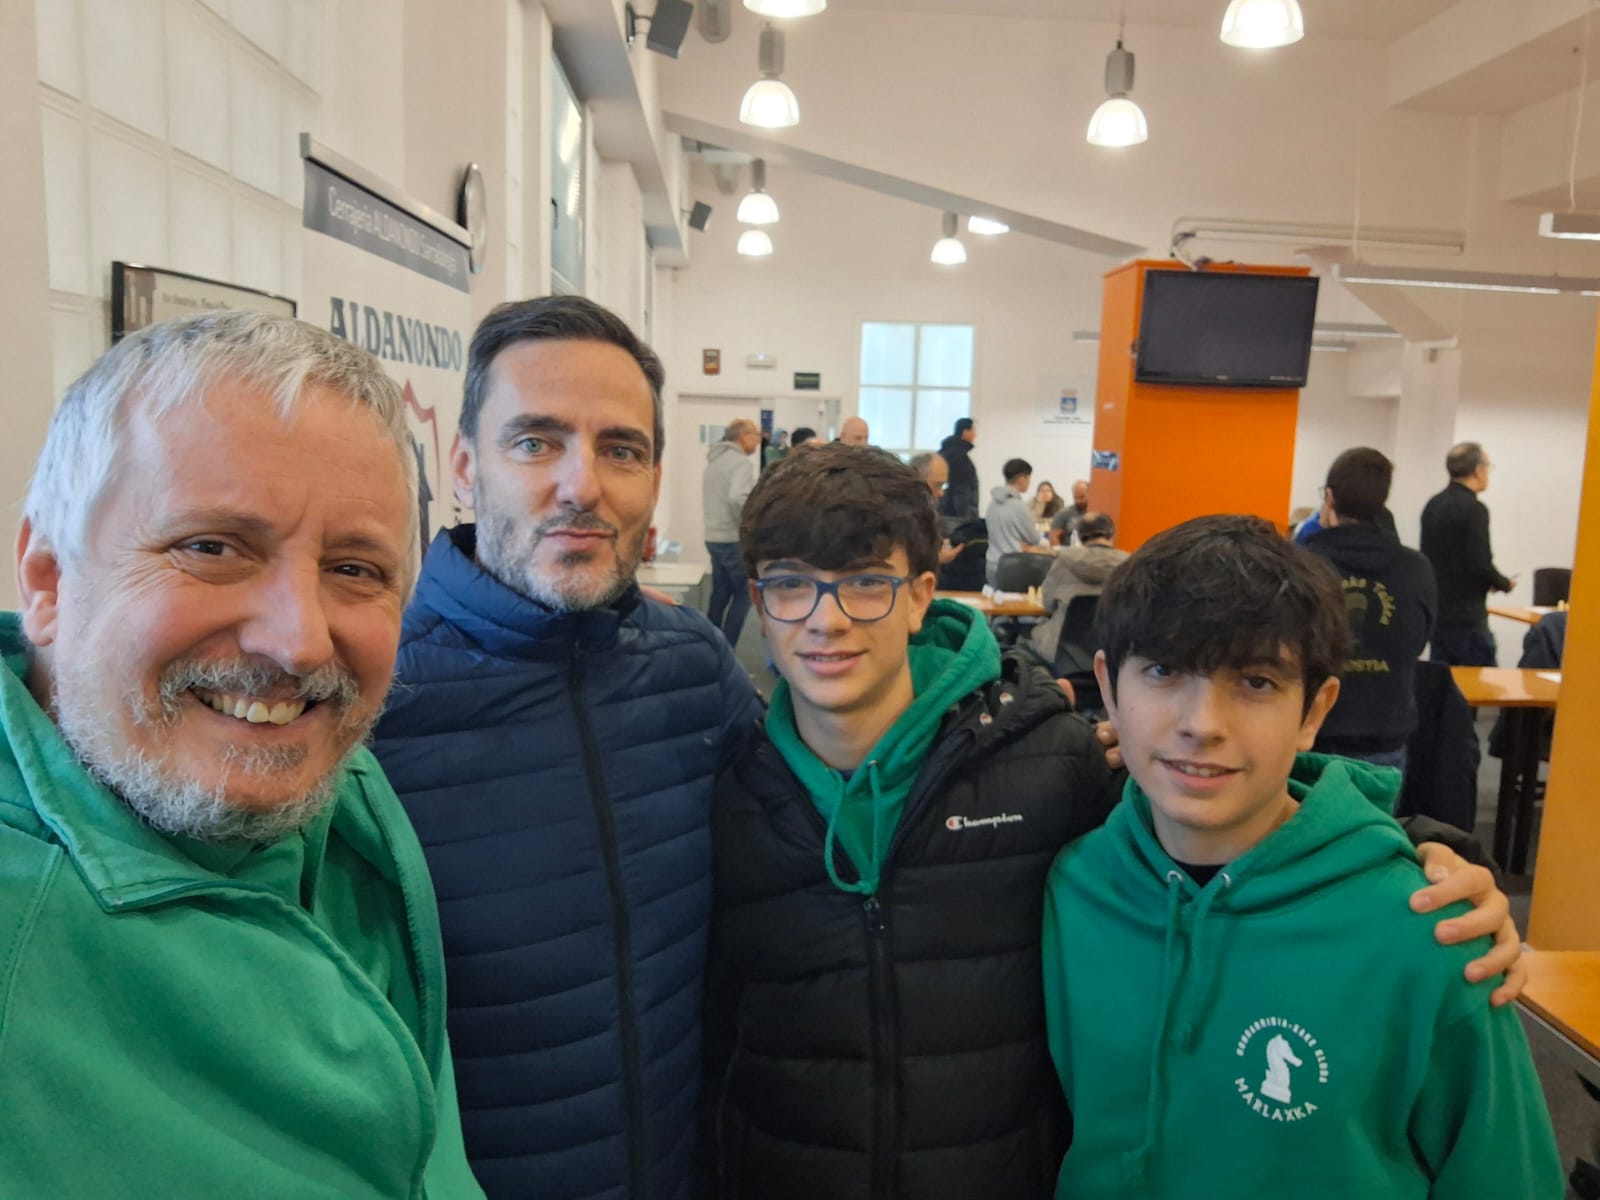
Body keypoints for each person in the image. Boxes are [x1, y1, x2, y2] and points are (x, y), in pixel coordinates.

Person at [704, 450, 1525, 1200]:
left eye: (864, 583)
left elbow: (1255, 822)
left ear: (920, 595)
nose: (827, 618)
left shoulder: (1044, 764)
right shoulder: (723, 790)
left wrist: (1431, 848)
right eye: (790, 585)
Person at [3, 312, 484, 1199]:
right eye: (211, 548)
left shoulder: (325, 783)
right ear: (48, 578)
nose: (299, 643)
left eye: (355, 569)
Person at [370, 296, 763, 1200]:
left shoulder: (695, 669)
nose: (582, 485)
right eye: (535, 442)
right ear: (464, 465)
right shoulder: (372, 704)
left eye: (620, 450)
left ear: (653, 477)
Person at [1043, 515, 1560, 1200]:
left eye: (1256, 682)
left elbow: (1506, 1178)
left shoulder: (1433, 933)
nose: (1203, 724)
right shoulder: (1072, 888)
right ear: (1109, 689)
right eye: (1163, 671)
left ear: (1314, 711)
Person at [1303, 448, 1436, 769]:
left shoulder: (1301, 564)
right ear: (1382, 502)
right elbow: (1419, 641)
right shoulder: (1416, 568)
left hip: (1312, 732)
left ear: (1329, 498)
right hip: (1385, 732)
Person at [1420, 441, 1514, 665]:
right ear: (1478, 471)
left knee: (1443, 678)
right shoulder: (1475, 510)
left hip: (1439, 612)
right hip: (1467, 616)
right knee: (1477, 678)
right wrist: (1502, 583)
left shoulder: (1433, 504)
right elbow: (1479, 563)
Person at [1031, 511, 1128, 667]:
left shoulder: (1064, 560)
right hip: (1113, 652)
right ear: (1112, 533)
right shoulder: (1130, 565)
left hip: (1064, 653)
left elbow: (1048, 603)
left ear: (1080, 536)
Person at [703, 417, 763, 644]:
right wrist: (749, 524)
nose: (759, 440)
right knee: (744, 594)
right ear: (744, 437)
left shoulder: (715, 461)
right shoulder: (741, 463)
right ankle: (726, 647)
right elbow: (737, 497)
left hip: (713, 536)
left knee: (720, 592)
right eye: (756, 435)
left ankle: (709, 643)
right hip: (731, 538)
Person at [985, 456, 1047, 585]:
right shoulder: (1018, 505)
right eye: (1029, 478)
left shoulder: (992, 503)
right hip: (1012, 568)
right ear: (1022, 478)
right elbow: (1034, 538)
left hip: (991, 564)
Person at [937, 416, 979, 519]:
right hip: (956, 517)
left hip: (943, 512)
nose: (975, 434)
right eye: (973, 430)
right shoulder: (959, 457)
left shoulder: (945, 453)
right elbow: (961, 492)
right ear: (965, 432)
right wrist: (965, 520)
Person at [1048, 479, 1091, 547]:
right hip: (1070, 551)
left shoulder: (1097, 514)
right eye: (1075, 498)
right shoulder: (1063, 514)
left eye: (1082, 497)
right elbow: (1054, 536)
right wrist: (1059, 551)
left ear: (1090, 494)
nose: (1078, 501)